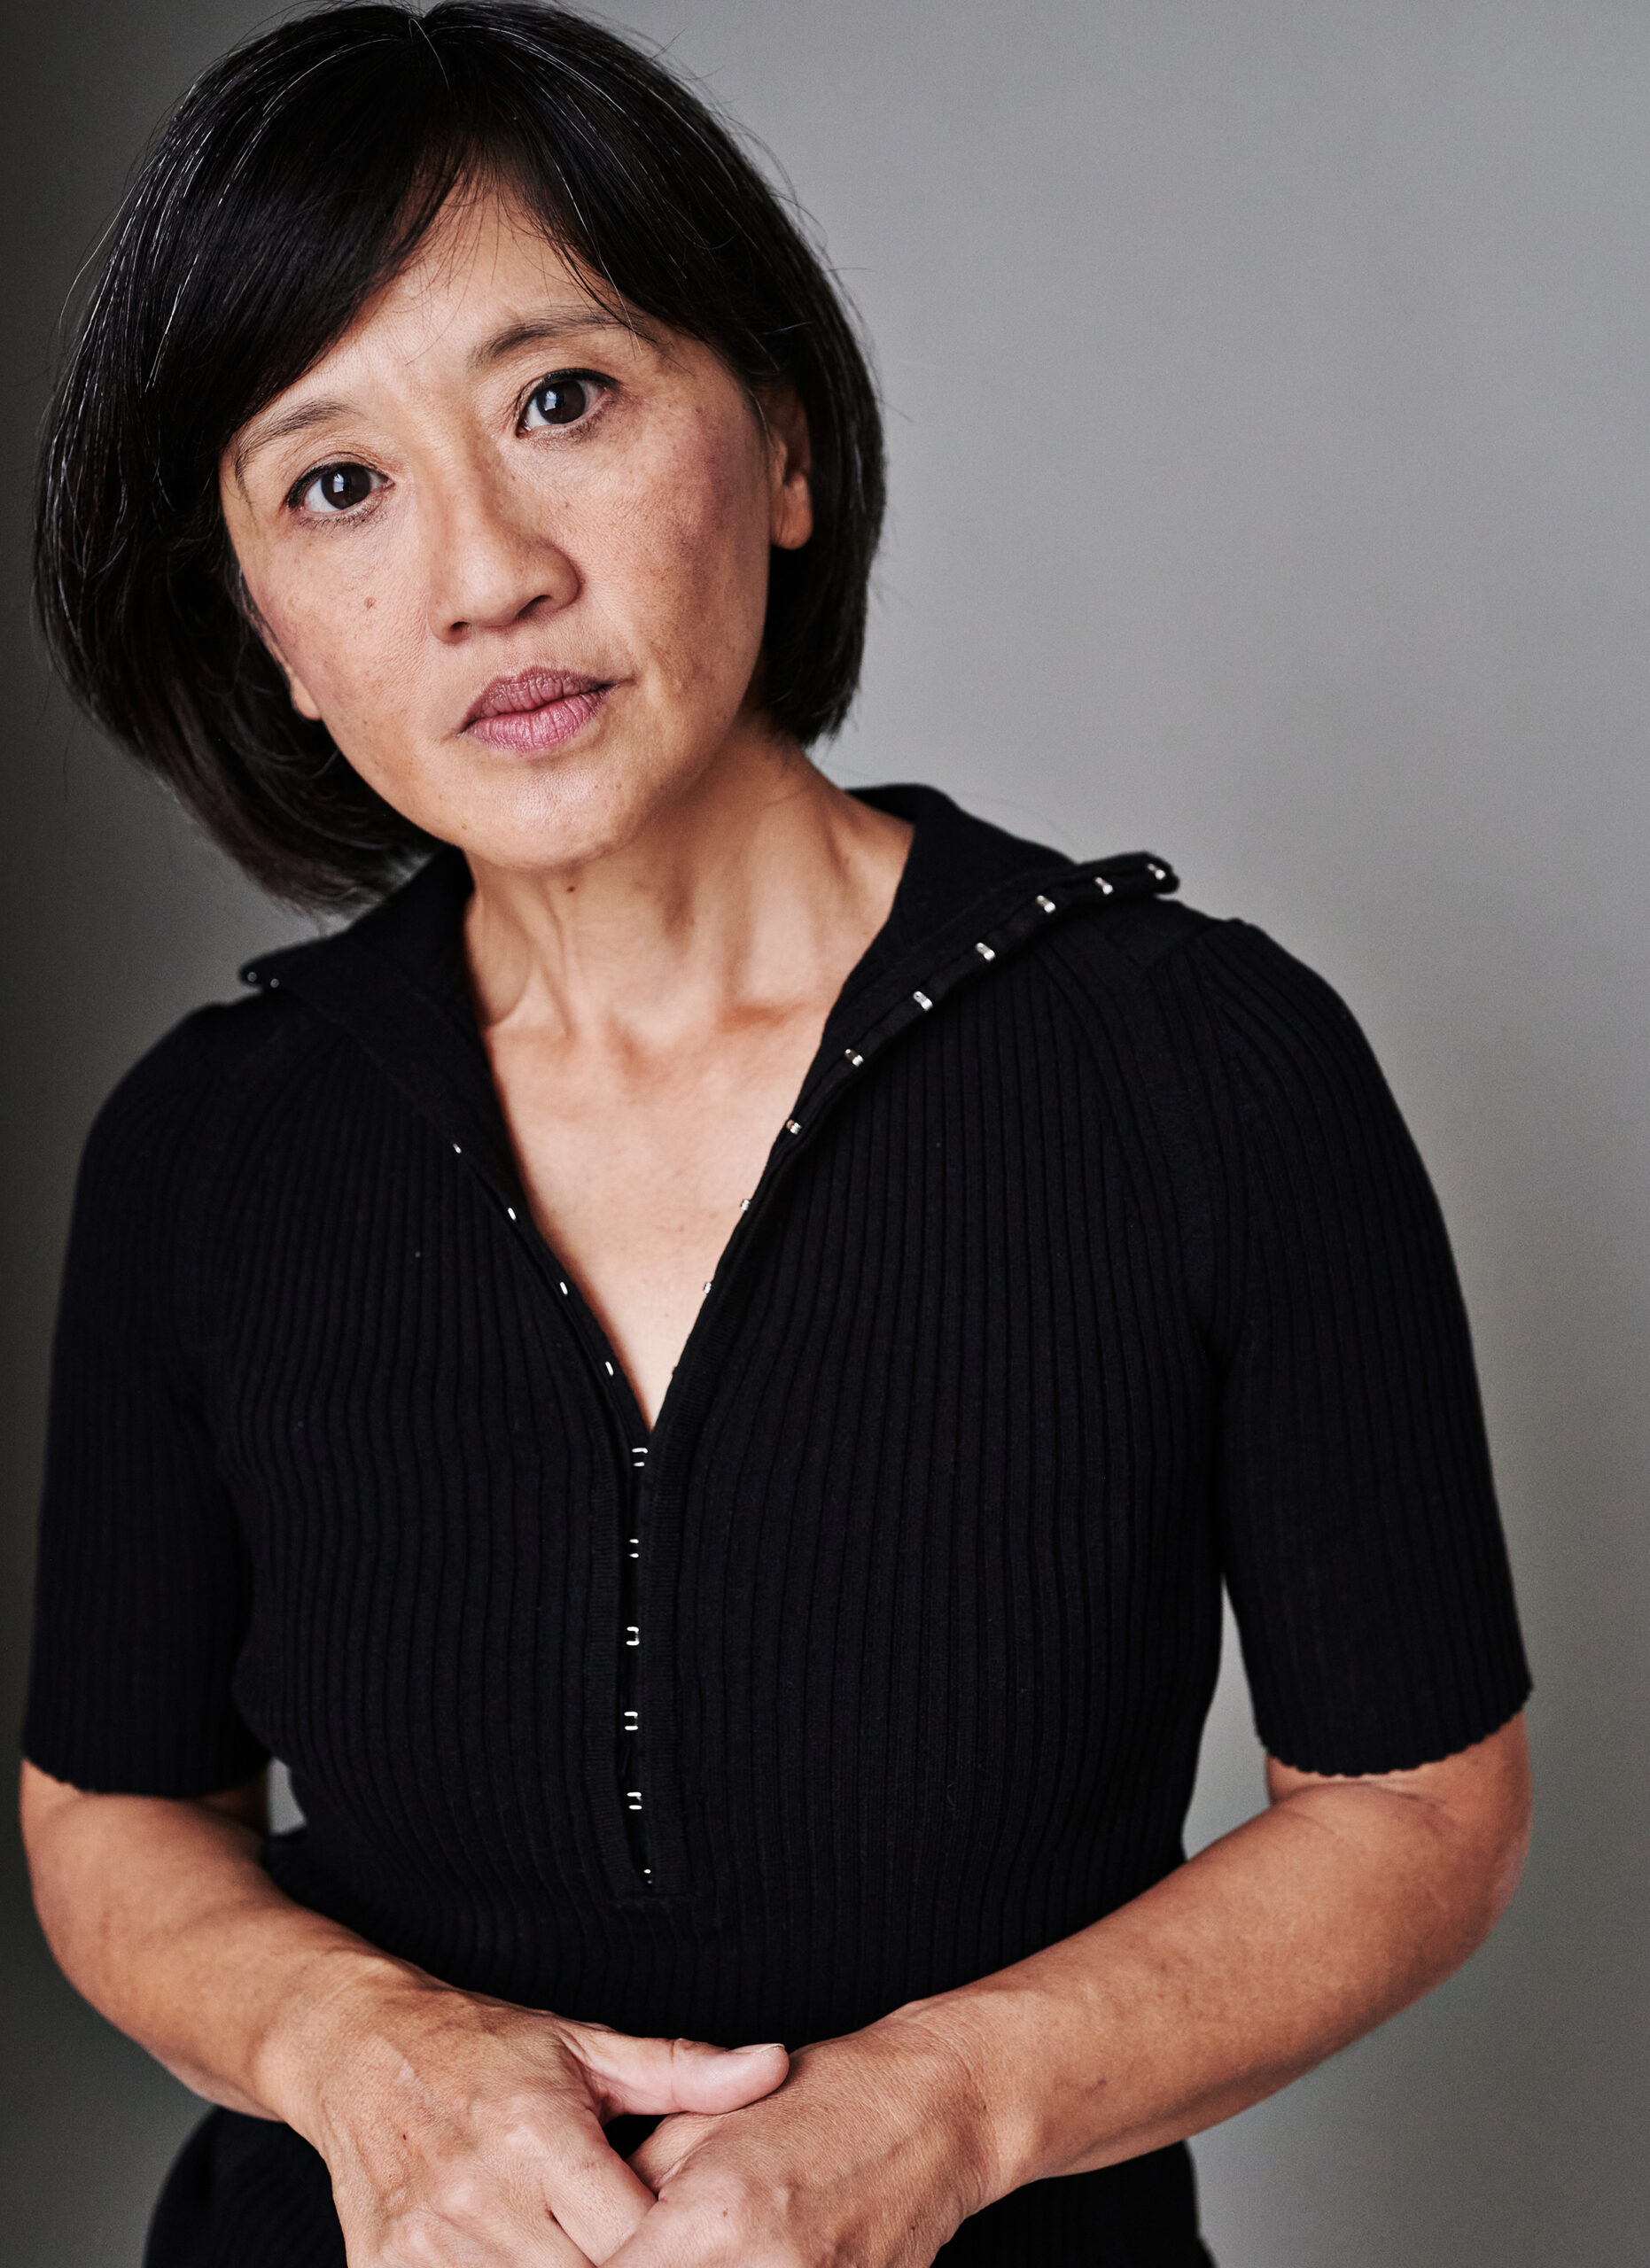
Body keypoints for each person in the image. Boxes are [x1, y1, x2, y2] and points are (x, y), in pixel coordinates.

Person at [18, 5, 1533, 2264]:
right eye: (337, 484)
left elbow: (1417, 1807)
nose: (487, 570)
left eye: (562, 399)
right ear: (273, 633)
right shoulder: (200, 1149)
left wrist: (937, 2113)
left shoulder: (1207, 1062)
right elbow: (111, 1811)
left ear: (785, 442)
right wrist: (361, 2055)